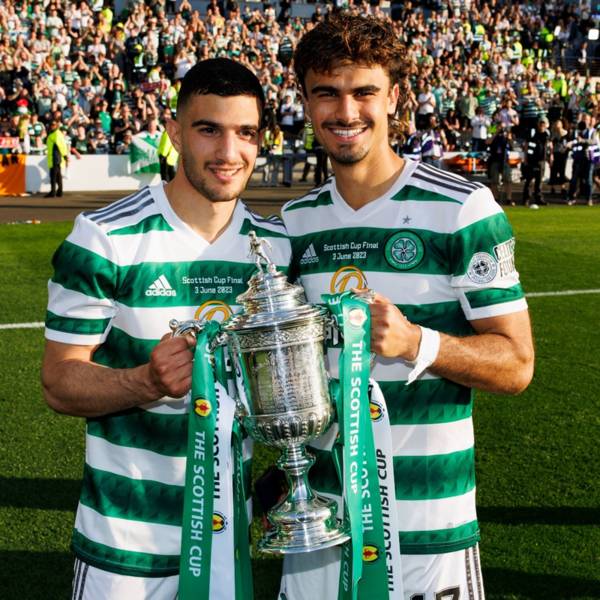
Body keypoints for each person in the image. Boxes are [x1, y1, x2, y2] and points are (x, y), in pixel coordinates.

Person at [279, 14, 534, 600]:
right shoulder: (295, 225)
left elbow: (517, 365)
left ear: (395, 98)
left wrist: (419, 342)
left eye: (364, 92)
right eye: (327, 93)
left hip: (428, 530)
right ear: (307, 103)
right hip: (320, 529)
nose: (346, 112)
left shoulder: (463, 209)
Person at [41, 58, 290, 599]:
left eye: (245, 133)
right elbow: (59, 382)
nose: (229, 153)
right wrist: (144, 382)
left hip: (228, 543)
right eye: (209, 130)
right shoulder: (106, 238)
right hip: (124, 545)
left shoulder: (279, 248)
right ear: (174, 133)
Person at [521, 118, 551, 206]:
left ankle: (539, 198)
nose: (542, 127)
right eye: (541, 125)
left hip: (541, 161)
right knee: (529, 180)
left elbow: (549, 147)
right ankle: (526, 199)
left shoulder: (547, 135)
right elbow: (526, 146)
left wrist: (549, 158)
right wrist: (526, 158)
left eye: (543, 125)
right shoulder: (533, 134)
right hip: (532, 160)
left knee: (539, 182)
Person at [45, 120, 69, 197]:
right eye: (51, 124)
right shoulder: (56, 133)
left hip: (55, 157)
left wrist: (65, 155)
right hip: (55, 157)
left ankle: (53, 192)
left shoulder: (56, 134)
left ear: (57, 126)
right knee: (58, 176)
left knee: (53, 176)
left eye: (53, 125)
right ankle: (59, 192)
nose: (52, 126)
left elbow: (61, 146)